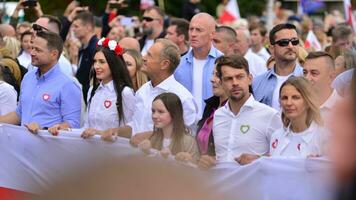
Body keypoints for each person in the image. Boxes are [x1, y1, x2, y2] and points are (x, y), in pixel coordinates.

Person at [101, 39, 197, 140]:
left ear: (164, 64)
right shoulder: (143, 90)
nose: (143, 58)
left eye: (149, 55)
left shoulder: (183, 97)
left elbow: (186, 136)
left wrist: (151, 137)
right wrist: (117, 131)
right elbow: (136, 124)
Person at [0, 31, 82, 134]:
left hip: (49, 148)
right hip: (23, 147)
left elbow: (72, 124)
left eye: (38, 50)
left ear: (54, 54)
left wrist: (44, 129)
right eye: (33, 48)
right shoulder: (28, 77)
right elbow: (19, 113)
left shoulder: (68, 84)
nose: (32, 53)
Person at [237, 77, 327, 164]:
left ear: (308, 101)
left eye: (295, 97)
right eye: (284, 98)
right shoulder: (277, 136)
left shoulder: (323, 136)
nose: (288, 103)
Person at [212, 55, 281, 165]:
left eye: (240, 77)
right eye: (228, 79)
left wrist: (259, 160)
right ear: (221, 83)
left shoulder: (269, 115)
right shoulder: (218, 115)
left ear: (250, 79)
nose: (235, 83)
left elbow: (283, 156)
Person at [80, 38, 135, 138]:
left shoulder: (125, 93)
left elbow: (131, 128)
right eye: (95, 61)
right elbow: (86, 127)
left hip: (113, 151)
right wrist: (66, 130)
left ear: (113, 64)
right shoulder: (92, 90)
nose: (96, 66)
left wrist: (100, 133)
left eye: (102, 62)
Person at [175, 13, 223, 119]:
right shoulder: (178, 64)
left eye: (199, 30)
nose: (193, 34)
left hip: (213, 126)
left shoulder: (224, 62)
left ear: (212, 34)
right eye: (191, 29)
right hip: (184, 128)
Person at [253, 23, 303, 110]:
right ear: (271, 49)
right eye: (284, 42)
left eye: (295, 41)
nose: (290, 46)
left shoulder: (308, 78)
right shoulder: (256, 82)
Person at [137, 93, 199, 163]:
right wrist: (144, 151)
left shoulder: (188, 142)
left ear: (174, 113)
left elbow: (194, 170)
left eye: (160, 112)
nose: (154, 116)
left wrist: (184, 160)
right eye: (153, 111)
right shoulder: (153, 139)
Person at [196, 59, 228, 169]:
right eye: (213, 74)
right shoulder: (210, 106)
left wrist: (215, 160)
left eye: (218, 75)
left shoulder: (237, 111)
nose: (212, 79)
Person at [303, 51, 341, 120]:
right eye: (305, 73)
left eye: (314, 73)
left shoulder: (346, 111)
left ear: (331, 77)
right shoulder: (298, 106)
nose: (307, 78)